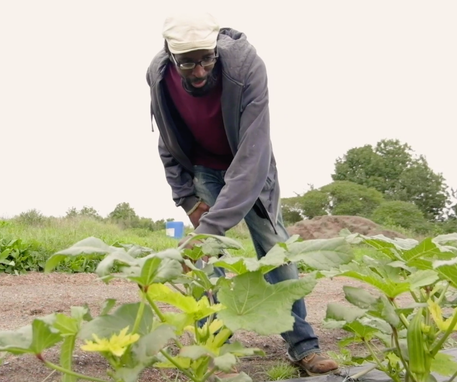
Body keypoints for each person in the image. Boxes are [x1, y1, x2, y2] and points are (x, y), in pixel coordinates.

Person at [144, 12, 339, 377]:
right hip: (203, 169)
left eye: (206, 59)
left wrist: (208, 229)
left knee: (276, 251)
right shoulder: (158, 75)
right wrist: (186, 197)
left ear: (215, 48)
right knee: (207, 262)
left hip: (252, 167)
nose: (199, 71)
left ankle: (304, 348)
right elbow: (166, 140)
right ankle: (214, 349)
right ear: (171, 56)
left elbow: (252, 154)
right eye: (188, 63)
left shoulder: (246, 65)